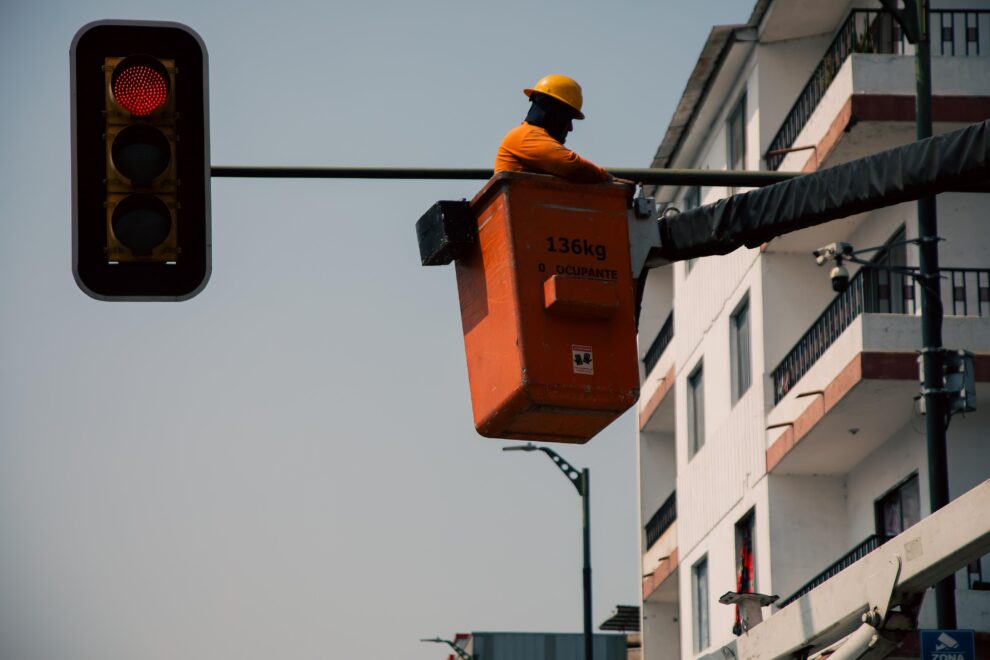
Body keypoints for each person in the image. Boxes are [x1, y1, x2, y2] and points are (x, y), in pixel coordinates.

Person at [495, 74, 627, 184]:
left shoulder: (530, 135)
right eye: (567, 119)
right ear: (553, 113)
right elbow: (572, 165)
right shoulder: (525, 136)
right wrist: (609, 178)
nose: (570, 128)